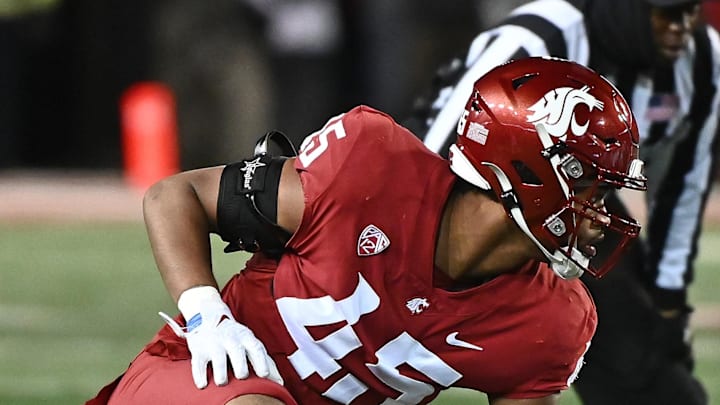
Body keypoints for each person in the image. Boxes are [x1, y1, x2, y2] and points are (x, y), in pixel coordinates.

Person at [86, 57, 646, 405]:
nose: (603, 213)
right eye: (594, 186)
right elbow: (174, 195)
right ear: (527, 171)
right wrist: (207, 315)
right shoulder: (369, 169)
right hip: (195, 377)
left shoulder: (551, 319)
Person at [404, 0, 720, 404]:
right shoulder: (542, 35)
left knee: (636, 355)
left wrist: (667, 296)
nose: (683, 27)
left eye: (690, 12)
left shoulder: (702, 60)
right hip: (477, 185)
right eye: (668, 13)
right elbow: (452, 144)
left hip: (576, 195)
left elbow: (683, 186)